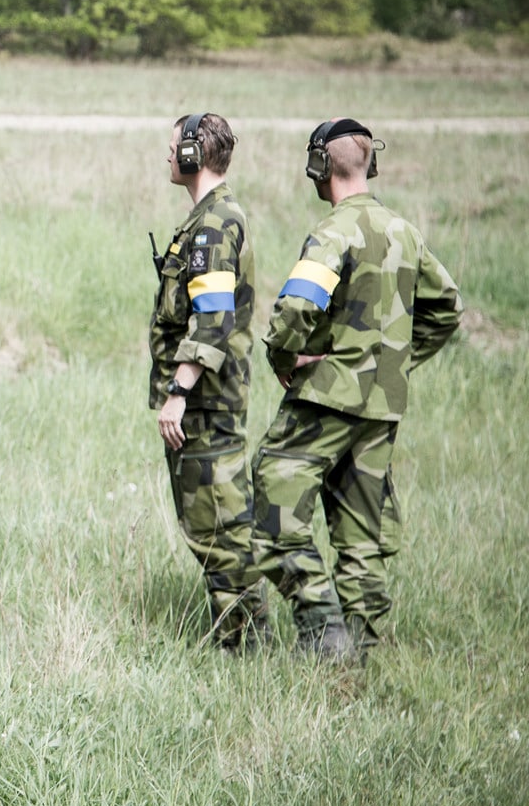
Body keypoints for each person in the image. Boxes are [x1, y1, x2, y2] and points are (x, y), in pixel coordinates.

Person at [251, 119, 461, 661]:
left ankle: (323, 629)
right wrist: (395, 363)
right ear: (370, 164)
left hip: (328, 396)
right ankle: (364, 655)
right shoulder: (404, 230)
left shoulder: (334, 232)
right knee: (361, 534)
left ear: (319, 167)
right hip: (382, 406)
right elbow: (447, 309)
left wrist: (286, 355)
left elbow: (296, 308)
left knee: (273, 500)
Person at [149, 113, 267, 650]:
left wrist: (178, 393)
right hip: (205, 401)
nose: (167, 156)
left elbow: (213, 319)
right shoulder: (208, 218)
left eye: (173, 147)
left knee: (219, 527)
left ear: (195, 154)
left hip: (205, 403)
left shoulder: (215, 224)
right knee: (210, 523)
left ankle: (245, 646)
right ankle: (242, 638)